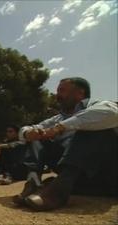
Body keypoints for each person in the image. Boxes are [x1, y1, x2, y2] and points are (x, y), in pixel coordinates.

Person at [12, 77, 118, 211]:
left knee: (90, 127)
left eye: (62, 91)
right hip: (82, 181)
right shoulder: (59, 117)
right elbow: (26, 129)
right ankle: (34, 183)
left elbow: (113, 114)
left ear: (80, 93)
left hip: (108, 176)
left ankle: (57, 193)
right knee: (38, 134)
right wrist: (29, 133)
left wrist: (60, 128)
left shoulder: (99, 104)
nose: (58, 95)